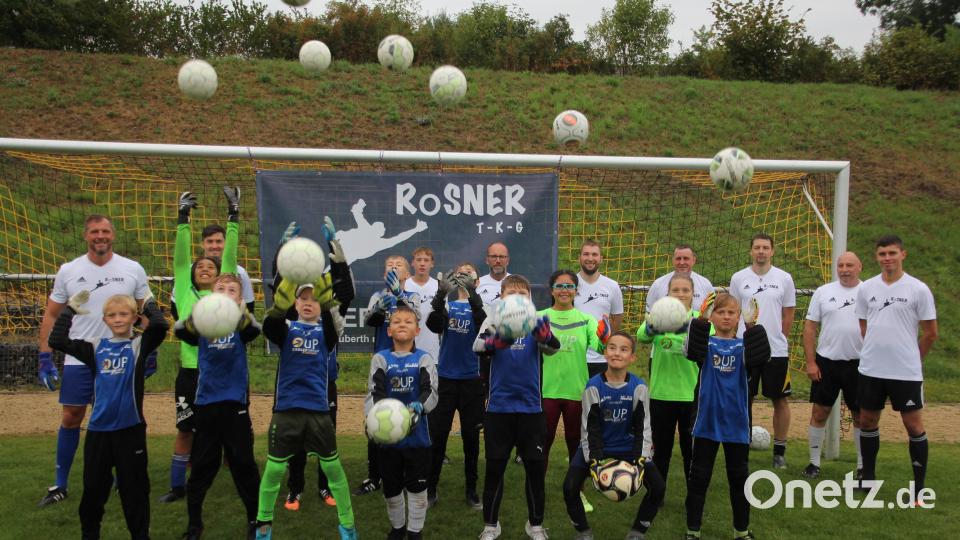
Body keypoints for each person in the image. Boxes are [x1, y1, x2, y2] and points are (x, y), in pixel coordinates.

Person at [37, 214, 152, 507]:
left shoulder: (132, 269)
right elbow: (52, 314)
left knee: (114, 417)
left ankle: (115, 474)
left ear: (112, 235)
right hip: (80, 356)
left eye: (105, 231)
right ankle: (60, 484)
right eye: (94, 232)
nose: (100, 236)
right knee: (71, 416)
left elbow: (147, 311)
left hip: (119, 355)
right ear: (86, 235)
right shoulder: (69, 270)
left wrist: (152, 350)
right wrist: (44, 356)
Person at [256, 221, 358, 540]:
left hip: (317, 409)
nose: (309, 302)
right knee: (274, 469)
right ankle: (262, 525)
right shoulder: (284, 329)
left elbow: (344, 293)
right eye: (303, 297)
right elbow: (273, 315)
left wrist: (336, 252)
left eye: (315, 298)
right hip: (286, 409)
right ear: (296, 303)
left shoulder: (328, 331)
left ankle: (347, 525)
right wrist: (280, 261)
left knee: (333, 467)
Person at [49, 291, 167, 539]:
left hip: (130, 431)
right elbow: (57, 340)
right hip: (98, 432)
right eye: (111, 315)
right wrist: (70, 309)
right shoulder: (95, 347)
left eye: (124, 314)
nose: (118, 319)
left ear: (134, 318)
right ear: (104, 320)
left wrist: (147, 304)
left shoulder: (139, 346)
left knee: (134, 491)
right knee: (93, 490)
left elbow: (159, 325)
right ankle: (90, 533)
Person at [159, 188, 241, 504]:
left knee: (225, 433)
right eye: (199, 266)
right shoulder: (184, 292)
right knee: (186, 430)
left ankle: (234, 478)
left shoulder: (224, 291)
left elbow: (230, 253)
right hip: (192, 372)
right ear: (191, 273)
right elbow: (180, 258)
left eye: (211, 266)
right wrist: (183, 218)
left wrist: (233, 215)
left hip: (222, 373)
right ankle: (178, 486)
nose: (206, 268)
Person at [473, 274, 560, 540]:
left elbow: (552, 348)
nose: (518, 297)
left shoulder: (534, 322)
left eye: (523, 293)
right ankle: (491, 525)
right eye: (512, 293)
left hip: (531, 410)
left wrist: (545, 337)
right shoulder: (492, 320)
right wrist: (494, 342)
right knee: (495, 468)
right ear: (502, 297)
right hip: (499, 409)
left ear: (530, 298)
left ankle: (534, 525)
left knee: (535, 469)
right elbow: (477, 346)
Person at [176, 274, 262, 539]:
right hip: (206, 405)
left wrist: (239, 312)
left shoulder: (240, 325)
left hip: (235, 405)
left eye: (232, 290)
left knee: (243, 464)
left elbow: (255, 329)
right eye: (220, 289)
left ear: (239, 298)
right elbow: (180, 330)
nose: (226, 292)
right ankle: (194, 525)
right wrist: (197, 314)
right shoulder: (203, 325)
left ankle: (255, 522)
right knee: (202, 467)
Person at [855, 235, 937, 501]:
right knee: (867, 420)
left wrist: (913, 357)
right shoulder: (867, 288)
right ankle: (867, 480)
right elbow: (864, 326)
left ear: (903, 254)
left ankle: (919, 487)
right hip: (871, 369)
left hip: (905, 371)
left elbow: (930, 333)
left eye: (892, 253)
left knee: (912, 424)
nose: (887, 258)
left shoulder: (918, 289)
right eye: (882, 254)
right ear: (877, 257)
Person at [683, 293, 769, 540]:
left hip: (737, 423)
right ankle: (693, 531)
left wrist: (753, 327)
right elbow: (691, 349)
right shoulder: (705, 346)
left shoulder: (745, 347)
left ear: (739, 317)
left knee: (739, 479)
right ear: (713, 315)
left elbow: (761, 356)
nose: (726, 316)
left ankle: (741, 531)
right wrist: (700, 320)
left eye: (732, 312)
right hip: (706, 422)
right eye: (720, 311)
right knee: (699, 478)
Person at [562, 332, 663, 540]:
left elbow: (643, 427)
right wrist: (595, 462)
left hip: (627, 445)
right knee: (570, 487)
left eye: (624, 349)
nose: (617, 353)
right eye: (612, 348)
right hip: (597, 444)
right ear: (605, 353)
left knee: (658, 488)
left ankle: (637, 532)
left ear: (632, 357)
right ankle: (583, 532)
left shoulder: (639, 387)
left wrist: (640, 460)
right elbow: (590, 428)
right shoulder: (593, 386)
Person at [366, 305, 438, 540]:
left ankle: (415, 531)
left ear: (417, 330)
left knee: (417, 489)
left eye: (408, 321)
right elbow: (374, 393)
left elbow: (431, 391)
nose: (402, 324)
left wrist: (419, 407)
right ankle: (397, 529)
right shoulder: (381, 358)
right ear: (389, 331)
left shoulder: (423, 358)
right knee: (391, 489)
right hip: (388, 439)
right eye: (396, 321)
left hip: (418, 439)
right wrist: (374, 419)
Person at [354, 255, 422, 496]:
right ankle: (375, 476)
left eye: (399, 265)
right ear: (385, 274)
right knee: (376, 417)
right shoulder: (377, 296)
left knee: (405, 417)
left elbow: (417, 317)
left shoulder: (412, 297)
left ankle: (407, 475)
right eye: (389, 266)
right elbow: (369, 320)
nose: (393, 268)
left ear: (407, 273)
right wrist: (381, 306)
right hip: (382, 364)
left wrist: (399, 296)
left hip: (407, 364)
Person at [729, 233, 795, 468]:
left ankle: (779, 452)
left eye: (765, 247)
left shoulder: (784, 278)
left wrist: (778, 337)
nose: (761, 251)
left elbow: (788, 313)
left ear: (772, 251)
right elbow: (733, 311)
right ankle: (740, 447)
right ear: (751, 251)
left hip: (775, 351)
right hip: (745, 349)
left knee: (780, 400)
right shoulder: (738, 278)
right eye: (757, 247)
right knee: (743, 399)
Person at [425, 263, 486, 509]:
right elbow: (433, 325)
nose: (464, 274)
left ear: (476, 281)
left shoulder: (480, 308)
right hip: (447, 380)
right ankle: (430, 489)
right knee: (438, 437)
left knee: (471, 439)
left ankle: (471, 491)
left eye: (470, 272)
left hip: (472, 381)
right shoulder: (448, 306)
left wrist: (473, 296)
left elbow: (484, 324)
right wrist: (440, 296)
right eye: (460, 271)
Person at [802, 251, 864, 479]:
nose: (845, 269)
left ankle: (861, 466)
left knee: (861, 416)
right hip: (826, 363)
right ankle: (814, 463)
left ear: (860, 267)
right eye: (841, 265)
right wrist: (810, 362)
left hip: (859, 364)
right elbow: (810, 328)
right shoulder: (823, 292)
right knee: (819, 412)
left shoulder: (868, 292)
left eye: (850, 265)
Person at [637, 273, 701, 496]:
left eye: (686, 290)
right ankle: (656, 494)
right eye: (676, 290)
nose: (681, 294)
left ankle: (693, 496)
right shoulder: (659, 317)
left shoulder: (701, 322)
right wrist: (654, 324)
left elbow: (709, 343)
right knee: (661, 451)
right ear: (668, 293)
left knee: (691, 452)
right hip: (661, 396)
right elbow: (642, 336)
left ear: (693, 294)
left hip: (691, 397)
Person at [171, 223, 256, 317]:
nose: (214, 246)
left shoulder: (240, 272)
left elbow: (249, 307)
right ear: (202, 244)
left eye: (219, 241)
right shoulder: (189, 272)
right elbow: (175, 307)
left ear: (225, 243)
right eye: (210, 241)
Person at [574, 239, 624, 378]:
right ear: (579, 258)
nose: (590, 258)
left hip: (601, 359)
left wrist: (604, 341)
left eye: (594, 254)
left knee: (598, 399)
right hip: (575, 357)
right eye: (586, 254)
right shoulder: (570, 285)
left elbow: (617, 318)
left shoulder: (612, 286)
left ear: (601, 258)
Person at [646, 245, 714, 314]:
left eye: (686, 258)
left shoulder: (705, 285)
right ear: (673, 260)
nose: (681, 262)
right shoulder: (658, 284)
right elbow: (650, 315)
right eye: (678, 258)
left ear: (693, 260)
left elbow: (711, 314)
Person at [405, 246, 441, 364]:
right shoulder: (404, 285)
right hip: (407, 346)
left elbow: (443, 318)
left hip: (432, 348)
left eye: (426, 260)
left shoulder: (439, 286)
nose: (422, 263)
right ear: (412, 263)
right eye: (418, 260)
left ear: (432, 264)